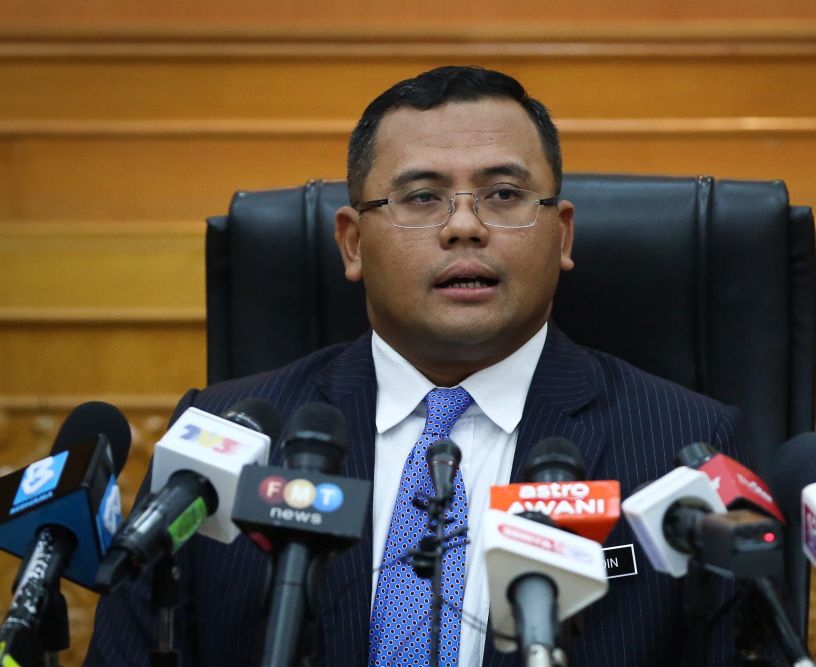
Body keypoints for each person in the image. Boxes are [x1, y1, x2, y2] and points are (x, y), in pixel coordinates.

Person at [87, 66, 753, 667]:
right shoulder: (219, 446)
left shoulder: (682, 449)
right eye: (423, 198)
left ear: (562, 234)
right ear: (352, 243)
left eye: (503, 194)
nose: (465, 226)